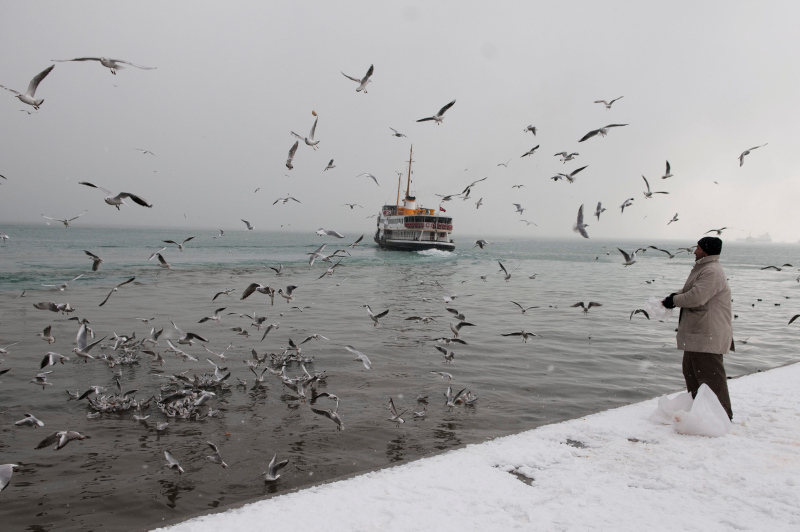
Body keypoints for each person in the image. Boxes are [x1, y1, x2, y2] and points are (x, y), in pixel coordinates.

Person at [662, 236, 734, 420]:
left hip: (707, 334)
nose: (695, 251)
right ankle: (700, 415)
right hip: (698, 335)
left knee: (711, 378)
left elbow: (696, 297)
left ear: (707, 250)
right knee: (692, 374)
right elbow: (691, 290)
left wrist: (674, 301)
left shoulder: (711, 271)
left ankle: (721, 418)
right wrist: (674, 296)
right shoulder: (704, 268)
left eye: (698, 248)